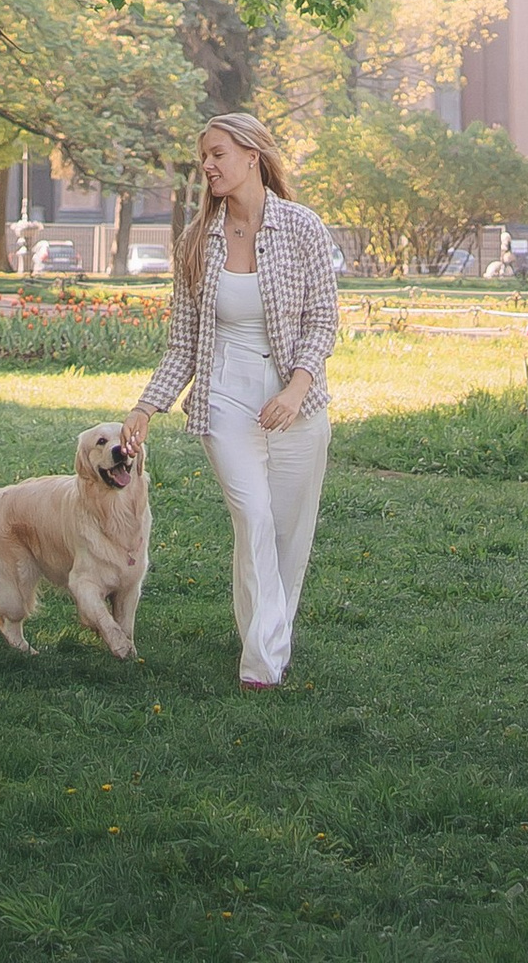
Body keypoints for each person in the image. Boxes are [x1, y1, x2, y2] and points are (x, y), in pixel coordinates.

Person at [125, 111, 340, 690]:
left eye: (217, 154)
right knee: (253, 518)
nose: (208, 166)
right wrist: (146, 407)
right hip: (224, 397)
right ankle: (262, 665)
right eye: (204, 157)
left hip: (295, 401)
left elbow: (323, 321)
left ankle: (267, 636)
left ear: (252, 156)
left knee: (287, 535)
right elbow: (182, 342)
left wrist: (297, 389)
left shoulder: (302, 227)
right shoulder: (196, 241)